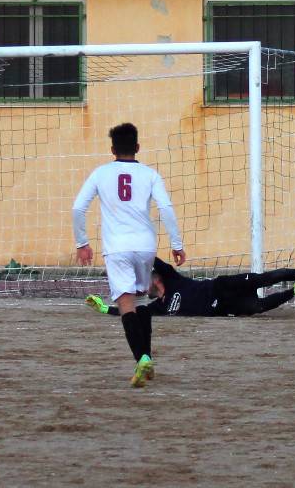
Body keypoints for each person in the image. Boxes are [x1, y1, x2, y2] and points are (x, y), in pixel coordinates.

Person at [73, 122, 185, 388]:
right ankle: (146, 360)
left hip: (118, 247)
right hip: (146, 246)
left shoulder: (101, 173)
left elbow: (78, 208)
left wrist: (82, 243)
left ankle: (141, 359)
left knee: (126, 305)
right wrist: (177, 243)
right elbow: (166, 208)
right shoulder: (150, 174)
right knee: (142, 301)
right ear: (137, 147)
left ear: (112, 149)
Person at [85, 257, 295, 317]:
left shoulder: (171, 278)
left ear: (156, 278)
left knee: (266, 278)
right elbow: (132, 313)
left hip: (221, 287)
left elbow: (151, 257)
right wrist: (106, 309)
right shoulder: (158, 307)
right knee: (258, 307)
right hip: (223, 307)